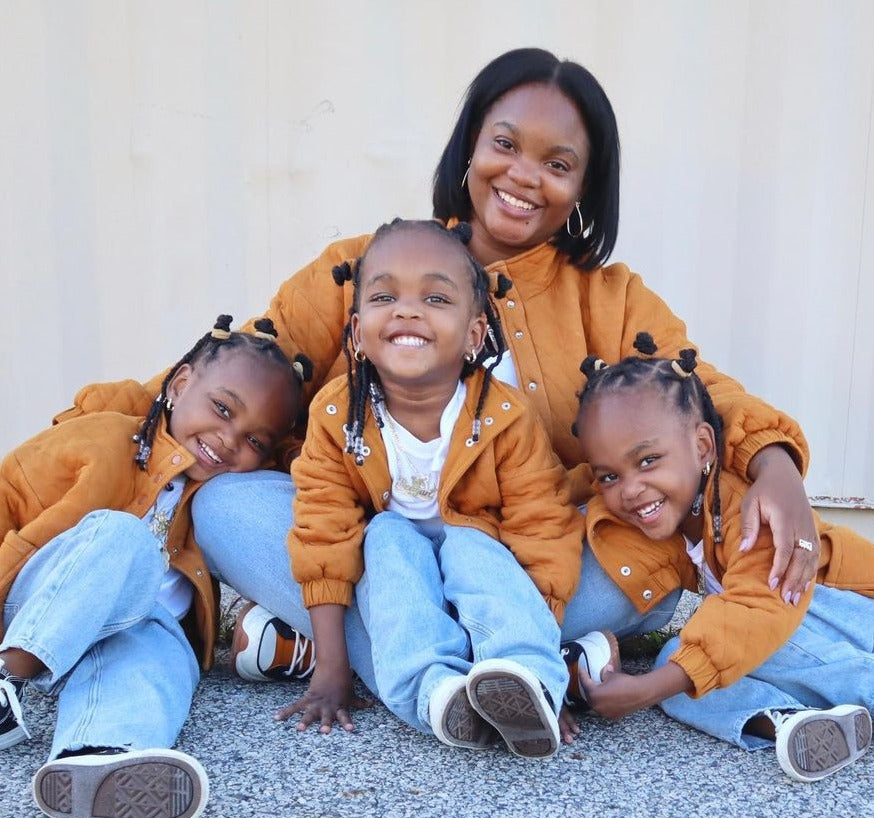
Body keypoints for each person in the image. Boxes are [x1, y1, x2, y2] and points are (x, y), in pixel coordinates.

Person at [55, 48, 819, 701]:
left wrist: (778, 464)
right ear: (468, 148)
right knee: (227, 504)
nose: (524, 177)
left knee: (637, 555)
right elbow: (239, 369)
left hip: (536, 563)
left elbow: (702, 395)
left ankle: (373, 658)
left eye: (558, 165)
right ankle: (495, 669)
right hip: (382, 554)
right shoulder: (371, 267)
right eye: (506, 145)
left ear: (585, 187)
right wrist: (99, 420)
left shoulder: (609, 296)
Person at [276, 218, 583, 758]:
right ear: (356, 332)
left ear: (474, 334)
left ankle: (531, 681)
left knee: (473, 544)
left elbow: (541, 526)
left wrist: (545, 637)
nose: (407, 310)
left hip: (484, 553)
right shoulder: (335, 414)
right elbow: (323, 531)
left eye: (436, 297)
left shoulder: (506, 416)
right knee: (386, 537)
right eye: (384, 295)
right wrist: (331, 669)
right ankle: (438, 694)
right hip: (396, 565)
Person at [0, 316, 307, 818]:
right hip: (43, 601)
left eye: (255, 440)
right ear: (180, 384)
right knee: (125, 540)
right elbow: (8, 498)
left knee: (162, 652)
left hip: (132, 625)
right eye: (223, 409)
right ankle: (10, 674)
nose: (230, 439)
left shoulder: (213, 503)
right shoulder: (104, 438)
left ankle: (95, 760)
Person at [571, 333, 874, 782]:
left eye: (649, 460)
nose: (630, 489)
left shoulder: (749, 509)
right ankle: (792, 722)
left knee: (703, 653)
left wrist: (647, 690)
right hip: (788, 631)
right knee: (679, 670)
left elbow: (759, 611)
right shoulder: (679, 512)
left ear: (703, 446)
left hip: (843, 614)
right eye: (610, 475)